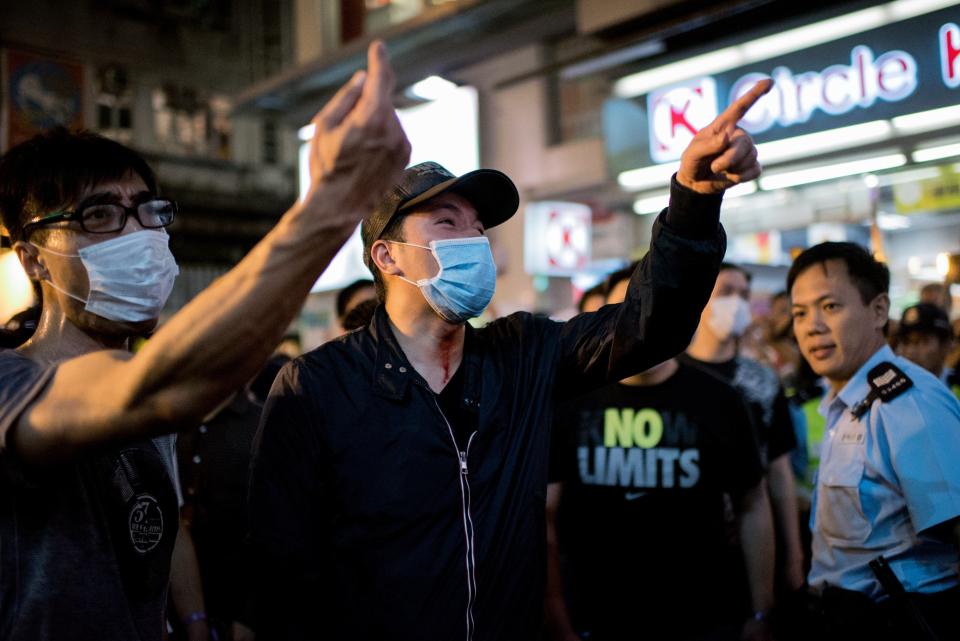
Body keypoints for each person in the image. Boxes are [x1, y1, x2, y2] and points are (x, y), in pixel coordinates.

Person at [248, 80, 773, 640]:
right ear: (387, 256)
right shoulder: (317, 386)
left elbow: (651, 326)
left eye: (478, 227)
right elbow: (280, 573)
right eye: (447, 223)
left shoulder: (523, 355)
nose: (473, 240)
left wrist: (692, 199)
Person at [0, 40, 409, 641]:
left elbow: (160, 529)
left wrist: (192, 621)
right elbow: (157, 389)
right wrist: (333, 201)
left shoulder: (146, 382)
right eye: (99, 216)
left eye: (146, 211)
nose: (138, 234)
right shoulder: (9, 383)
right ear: (34, 261)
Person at [544, 266, 776, 641]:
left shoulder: (721, 400)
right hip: (595, 615)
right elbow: (545, 517)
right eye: (624, 311)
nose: (638, 325)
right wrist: (557, 621)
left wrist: (762, 611)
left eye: (648, 308)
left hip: (701, 618)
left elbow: (753, 503)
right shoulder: (570, 401)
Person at [788, 241, 960, 641]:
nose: (812, 326)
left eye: (830, 307)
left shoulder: (907, 403)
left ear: (879, 310)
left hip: (901, 621)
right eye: (800, 313)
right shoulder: (843, 402)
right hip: (844, 619)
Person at [682, 263, 805, 597]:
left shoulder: (763, 382)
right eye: (725, 292)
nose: (736, 302)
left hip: (754, 546)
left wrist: (793, 556)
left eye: (743, 294)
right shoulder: (675, 376)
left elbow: (780, 474)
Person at [176, 354, 292, 641]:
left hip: (240, 612)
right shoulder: (170, 424)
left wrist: (248, 617)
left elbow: (279, 532)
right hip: (175, 612)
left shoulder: (261, 424)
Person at [895, 302, 953, 383]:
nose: (910, 351)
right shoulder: (888, 389)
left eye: (923, 341)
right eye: (905, 341)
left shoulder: (954, 386)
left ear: (945, 346)